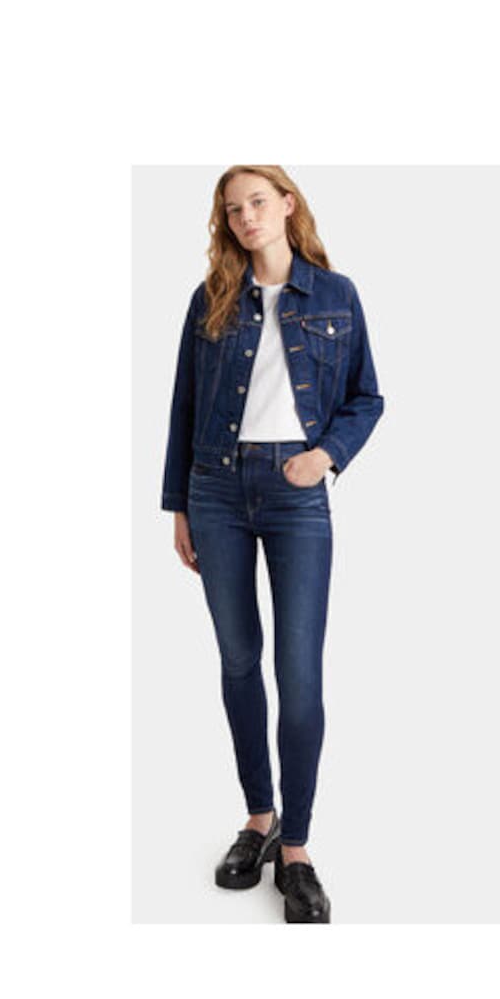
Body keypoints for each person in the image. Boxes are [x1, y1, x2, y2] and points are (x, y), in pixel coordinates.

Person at [160, 165, 384, 923]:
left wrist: (327, 457)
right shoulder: (212, 298)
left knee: (300, 674)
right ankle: (259, 819)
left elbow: (367, 396)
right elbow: (184, 405)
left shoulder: (336, 295)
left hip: (296, 492)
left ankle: (297, 849)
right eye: (233, 209)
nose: (246, 217)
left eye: (257, 202)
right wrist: (178, 506)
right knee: (237, 658)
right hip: (215, 490)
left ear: (287, 205)